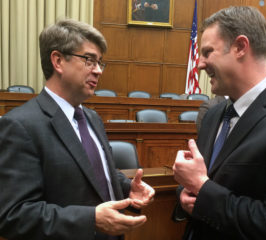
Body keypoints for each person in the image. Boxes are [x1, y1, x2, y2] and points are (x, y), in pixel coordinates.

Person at [0, 19, 155, 240]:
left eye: (100, 62)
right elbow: (13, 215)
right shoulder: (20, 125)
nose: (99, 70)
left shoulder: (92, 118)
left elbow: (94, 175)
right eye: (89, 60)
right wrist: (90, 219)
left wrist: (127, 187)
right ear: (58, 61)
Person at [173, 6, 266, 240]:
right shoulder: (214, 114)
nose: (199, 64)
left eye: (208, 52)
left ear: (240, 47)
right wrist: (185, 194)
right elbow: (200, 181)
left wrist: (202, 190)